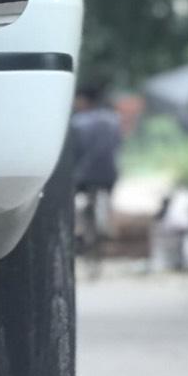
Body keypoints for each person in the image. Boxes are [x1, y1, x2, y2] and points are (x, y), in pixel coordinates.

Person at [69, 85, 124, 258]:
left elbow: (74, 151)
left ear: (84, 100)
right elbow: (118, 145)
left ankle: (78, 231)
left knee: (72, 200)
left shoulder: (77, 122)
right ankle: (108, 223)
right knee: (107, 197)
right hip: (110, 174)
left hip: (84, 175)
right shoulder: (114, 119)